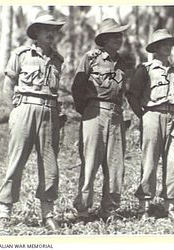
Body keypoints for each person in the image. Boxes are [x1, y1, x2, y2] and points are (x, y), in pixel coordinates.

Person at [0, 11, 65, 230]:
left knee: (50, 166)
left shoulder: (57, 59)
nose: (51, 34)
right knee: (16, 163)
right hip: (25, 110)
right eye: (46, 29)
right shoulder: (21, 54)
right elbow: (8, 86)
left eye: (54, 30)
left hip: (49, 113)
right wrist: (15, 112)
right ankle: (4, 213)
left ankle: (48, 214)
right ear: (36, 32)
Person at [71, 18, 129, 221]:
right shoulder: (91, 58)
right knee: (90, 163)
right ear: (103, 39)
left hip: (116, 115)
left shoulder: (123, 62)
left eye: (120, 35)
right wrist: (87, 111)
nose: (118, 39)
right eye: (113, 36)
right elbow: (77, 87)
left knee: (115, 165)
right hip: (94, 112)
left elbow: (124, 92)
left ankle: (110, 209)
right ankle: (84, 210)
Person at [127, 29, 174, 221]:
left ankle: (171, 205)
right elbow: (132, 94)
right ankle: (145, 206)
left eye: (169, 43)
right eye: (163, 44)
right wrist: (143, 116)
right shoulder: (145, 69)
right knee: (149, 162)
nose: (167, 47)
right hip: (152, 116)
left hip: (173, 118)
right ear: (155, 48)